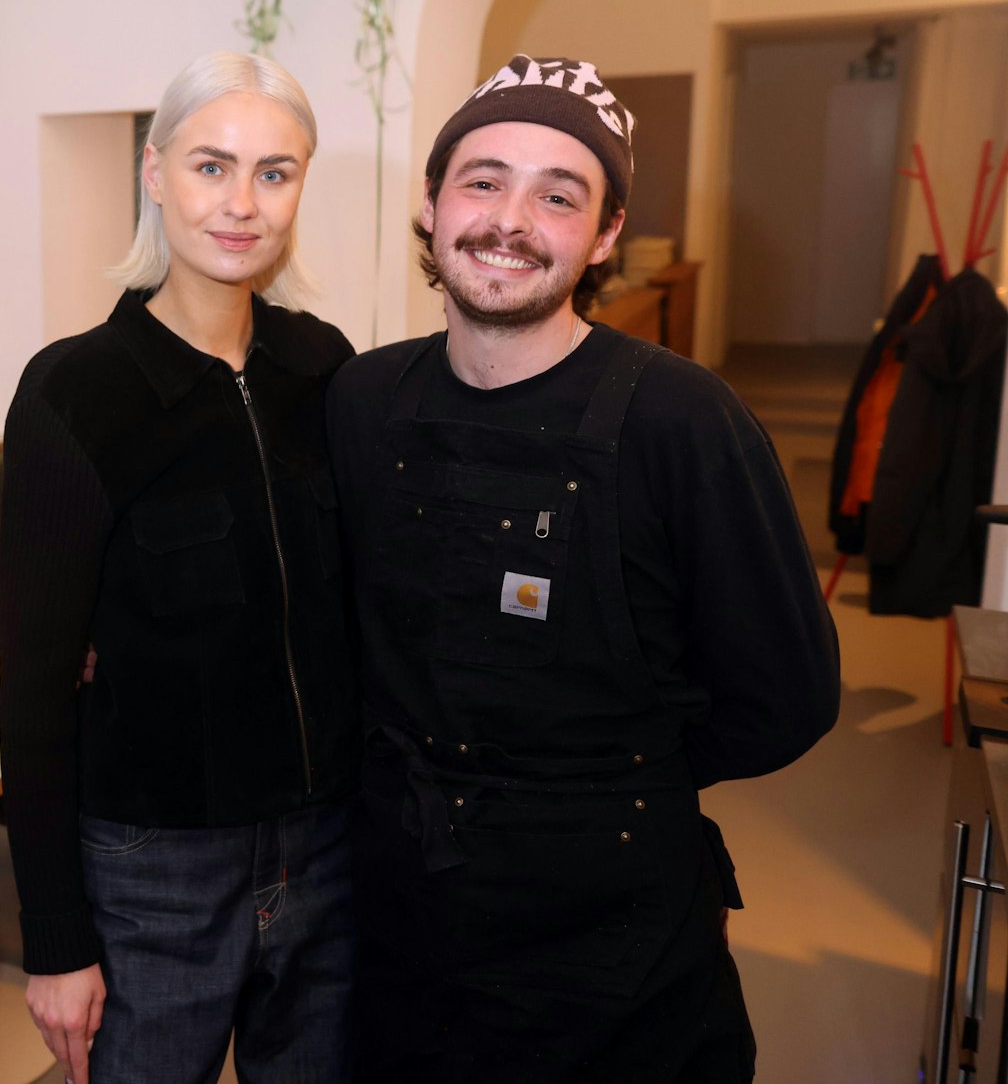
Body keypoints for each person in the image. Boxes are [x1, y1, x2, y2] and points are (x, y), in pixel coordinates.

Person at [328, 55, 840, 1081]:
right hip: (400, 920)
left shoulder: (682, 419)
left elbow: (784, 696)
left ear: (603, 235)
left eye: (556, 195)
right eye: (481, 181)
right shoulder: (360, 399)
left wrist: (611, 778)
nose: (508, 220)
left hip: (612, 945)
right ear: (429, 207)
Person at [0, 50, 358, 1084]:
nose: (240, 203)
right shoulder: (75, 394)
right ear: (153, 174)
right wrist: (55, 938)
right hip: (154, 866)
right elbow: (31, 687)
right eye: (211, 166)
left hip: (326, 843)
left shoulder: (321, 367)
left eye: (273, 172)